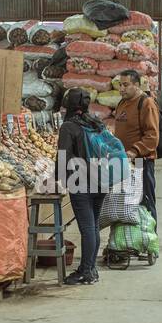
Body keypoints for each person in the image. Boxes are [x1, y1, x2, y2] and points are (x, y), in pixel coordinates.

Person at [57, 87, 115, 285]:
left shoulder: (68, 127)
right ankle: (91, 268)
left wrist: (59, 181)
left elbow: (63, 158)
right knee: (94, 226)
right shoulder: (97, 123)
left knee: (88, 227)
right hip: (101, 179)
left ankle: (86, 271)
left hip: (80, 182)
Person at [113, 70, 160, 225]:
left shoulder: (146, 103)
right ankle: (129, 243)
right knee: (126, 204)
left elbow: (152, 136)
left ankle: (149, 240)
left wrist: (135, 151)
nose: (121, 89)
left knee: (144, 203)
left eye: (126, 85)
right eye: (120, 85)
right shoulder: (122, 103)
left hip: (141, 162)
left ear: (137, 85)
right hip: (124, 163)